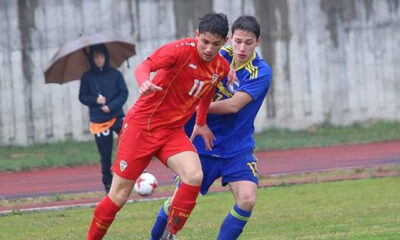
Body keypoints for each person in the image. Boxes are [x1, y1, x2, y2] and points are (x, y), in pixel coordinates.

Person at [86, 13, 231, 240]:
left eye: (216, 44)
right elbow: (145, 65)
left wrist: (201, 122)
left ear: (225, 42)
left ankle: (169, 235)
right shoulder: (180, 50)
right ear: (197, 36)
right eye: (205, 42)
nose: (209, 49)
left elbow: (208, 92)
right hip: (141, 128)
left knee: (194, 176)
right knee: (118, 196)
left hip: (171, 133)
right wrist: (144, 81)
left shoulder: (220, 67)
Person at [150, 15, 272, 240]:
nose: (242, 47)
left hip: (236, 147)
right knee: (179, 200)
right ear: (229, 40)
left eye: (248, 42)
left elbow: (234, 105)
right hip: (201, 143)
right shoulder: (215, 55)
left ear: (258, 42)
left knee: (247, 197)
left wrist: (196, 108)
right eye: (237, 41)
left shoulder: (260, 72)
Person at [79, 44, 129, 193]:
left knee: (130, 144)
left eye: (101, 56)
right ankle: (108, 183)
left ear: (106, 57)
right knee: (105, 155)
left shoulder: (115, 74)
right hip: (99, 121)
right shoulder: (87, 77)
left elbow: (123, 93)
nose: (99, 60)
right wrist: (96, 100)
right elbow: (82, 97)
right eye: (95, 57)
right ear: (91, 59)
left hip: (117, 116)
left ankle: (136, 174)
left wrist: (111, 106)